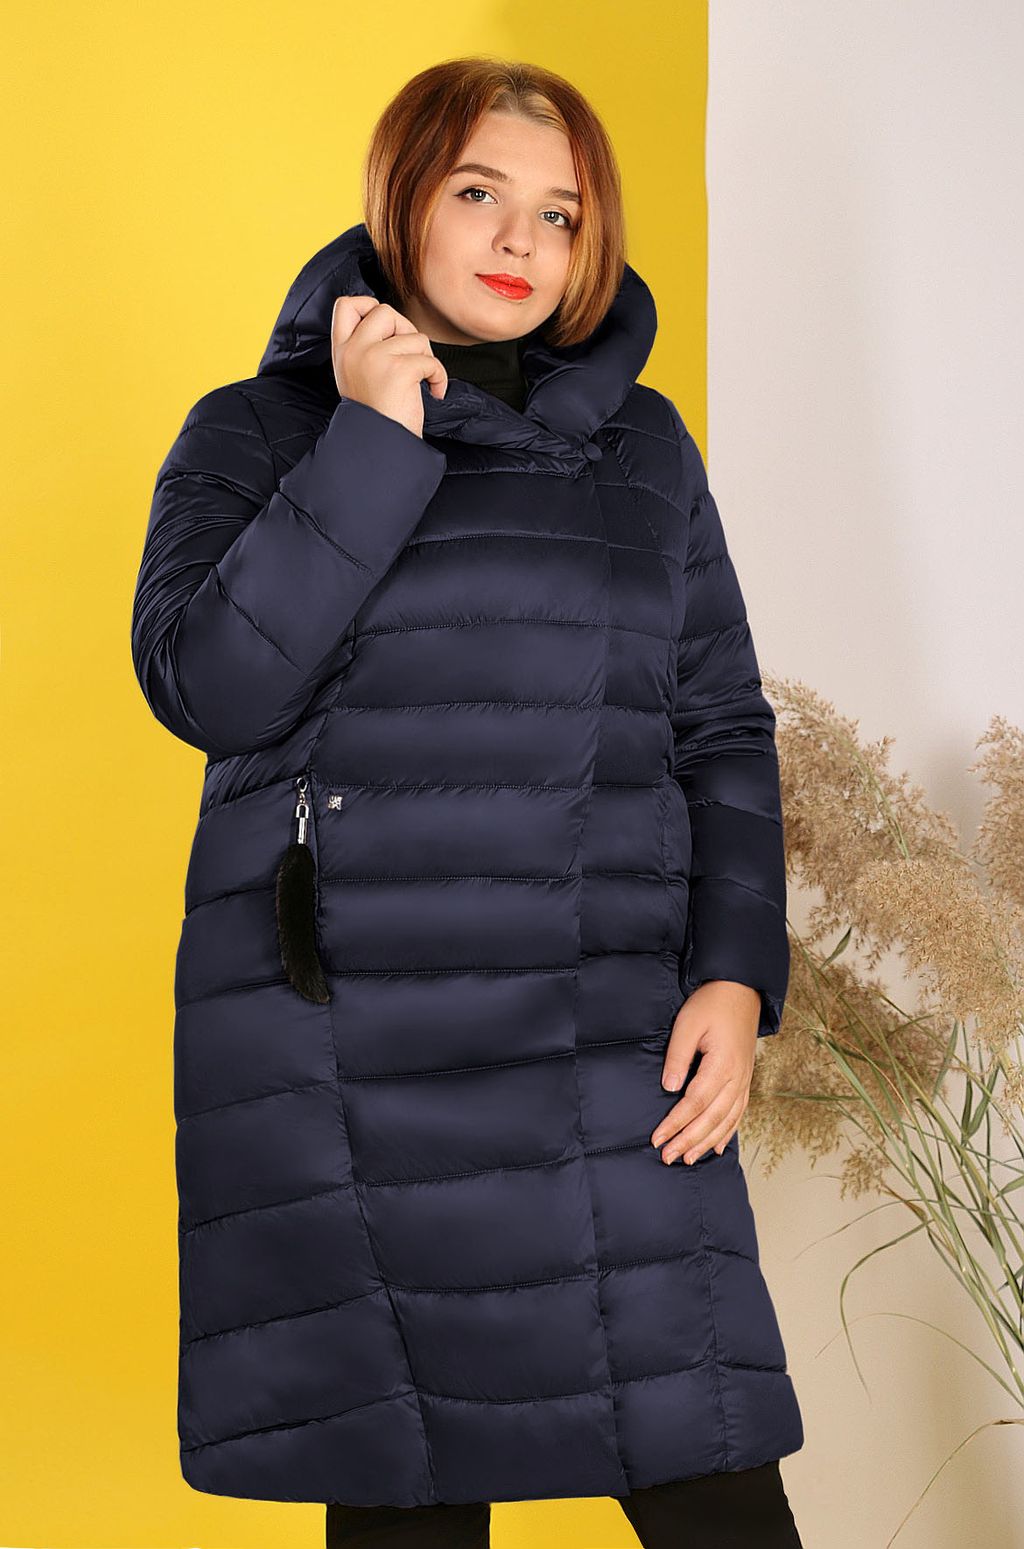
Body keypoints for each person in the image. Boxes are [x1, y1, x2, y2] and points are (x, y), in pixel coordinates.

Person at [131, 54, 804, 1549]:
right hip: (349, 1061)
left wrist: (737, 971)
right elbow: (209, 692)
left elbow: (718, 724)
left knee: (712, 1482)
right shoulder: (253, 431)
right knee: (407, 1503)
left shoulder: (646, 448)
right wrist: (372, 440)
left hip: (608, 1041)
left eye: (560, 214)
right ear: (401, 199)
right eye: (480, 192)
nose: (520, 241)